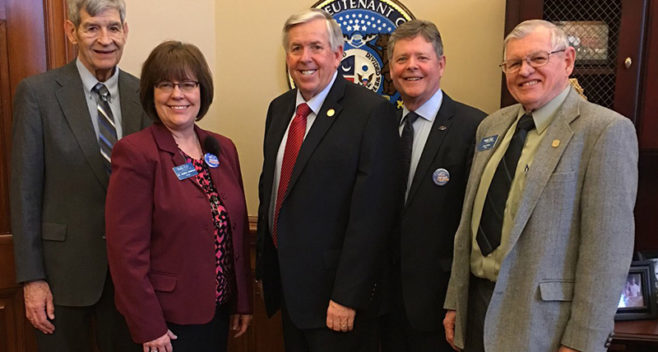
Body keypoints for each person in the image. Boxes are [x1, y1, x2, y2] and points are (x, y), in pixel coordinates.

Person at [442, 19, 638, 352]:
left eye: (537, 59)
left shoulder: (605, 132)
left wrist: (583, 341)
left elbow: (607, 253)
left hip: (544, 326)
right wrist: (455, 299)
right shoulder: (491, 126)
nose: (524, 71)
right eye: (514, 63)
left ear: (568, 60)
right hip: (476, 306)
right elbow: (469, 223)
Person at [256, 8, 401, 352]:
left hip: (335, 301)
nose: (305, 58)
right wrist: (265, 270)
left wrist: (347, 296)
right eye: (295, 48)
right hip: (289, 291)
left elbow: (373, 216)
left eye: (316, 47)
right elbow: (272, 190)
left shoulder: (370, 112)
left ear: (337, 54)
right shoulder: (279, 110)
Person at [10, 0, 149, 350]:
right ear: (71, 32)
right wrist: (33, 279)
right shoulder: (38, 94)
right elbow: (24, 193)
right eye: (92, 27)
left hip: (129, 278)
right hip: (62, 277)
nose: (105, 39)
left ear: (126, 32)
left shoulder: (145, 95)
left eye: (114, 28)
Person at [105, 40, 253, 352]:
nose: (177, 95)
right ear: (151, 93)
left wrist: (242, 301)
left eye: (187, 84)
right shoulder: (136, 153)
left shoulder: (222, 148)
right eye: (165, 85)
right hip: (166, 324)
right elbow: (126, 253)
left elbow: (234, 231)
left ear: (202, 91)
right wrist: (149, 325)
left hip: (218, 312)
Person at [380, 20, 486, 352]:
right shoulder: (377, 124)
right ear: (391, 70)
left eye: (422, 57)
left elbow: (476, 226)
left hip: (439, 307)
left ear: (440, 64)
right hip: (381, 305)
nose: (411, 66)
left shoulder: (474, 128)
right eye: (401, 59)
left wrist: (458, 301)